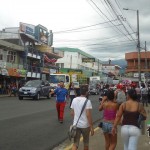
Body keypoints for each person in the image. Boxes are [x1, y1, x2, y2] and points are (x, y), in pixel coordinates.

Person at [70, 85, 94, 150]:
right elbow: (88, 115)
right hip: (85, 125)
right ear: (86, 92)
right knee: (86, 143)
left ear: (80, 91)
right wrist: (91, 127)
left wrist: (76, 119)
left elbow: (72, 113)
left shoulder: (74, 100)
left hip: (76, 125)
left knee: (75, 143)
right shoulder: (87, 101)